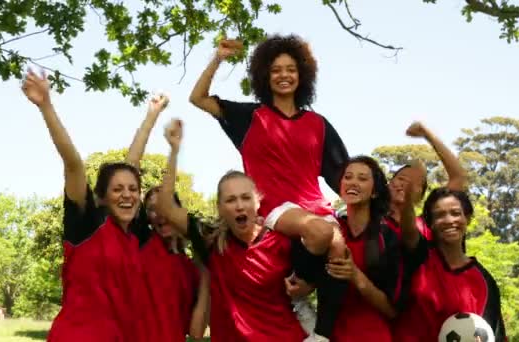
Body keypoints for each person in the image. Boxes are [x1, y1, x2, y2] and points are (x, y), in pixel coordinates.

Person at [22, 69, 164, 341]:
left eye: (133, 190)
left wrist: (151, 116)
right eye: (118, 189)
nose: (127, 195)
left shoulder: (135, 234)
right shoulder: (87, 224)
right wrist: (46, 106)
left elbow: (131, 165)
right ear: (101, 197)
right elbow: (73, 164)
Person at [189, 34, 349, 257]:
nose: (284, 75)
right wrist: (218, 58)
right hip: (274, 207)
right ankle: (303, 276)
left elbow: (342, 175)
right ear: (265, 75)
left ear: (302, 75)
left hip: (317, 208)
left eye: (291, 69)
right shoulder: (249, 117)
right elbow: (198, 98)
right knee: (320, 232)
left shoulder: (318, 124)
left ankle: (307, 281)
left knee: (341, 252)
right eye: (276, 70)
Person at [156, 118, 308, 341]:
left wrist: (308, 284)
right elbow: (165, 207)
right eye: (230, 200)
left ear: (258, 202)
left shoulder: (283, 240)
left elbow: (322, 274)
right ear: (219, 207)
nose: (239, 205)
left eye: (246, 198)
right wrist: (174, 150)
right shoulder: (211, 239)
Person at [292, 156, 406, 341]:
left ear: (375, 192)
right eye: (348, 177)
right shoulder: (328, 229)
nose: (353, 182)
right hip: (326, 334)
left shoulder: (388, 237)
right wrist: (304, 286)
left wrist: (355, 274)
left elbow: (392, 310)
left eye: (362, 178)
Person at [395, 182, 507, 341]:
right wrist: (408, 201)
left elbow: (495, 333)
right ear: (430, 223)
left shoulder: (484, 282)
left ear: (467, 219)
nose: (449, 220)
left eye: (455, 213)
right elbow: (408, 231)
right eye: (439, 215)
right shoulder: (418, 259)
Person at [140, 186, 210, 341]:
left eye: (167, 206)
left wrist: (206, 274)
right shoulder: (141, 249)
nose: (161, 213)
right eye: (153, 209)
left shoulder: (189, 267)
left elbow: (196, 332)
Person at [387, 121, 468, 240]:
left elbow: (458, 177)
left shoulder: (427, 227)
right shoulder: (372, 220)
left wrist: (428, 135)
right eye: (401, 178)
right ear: (389, 185)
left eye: (415, 183)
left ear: (421, 198)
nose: (406, 184)